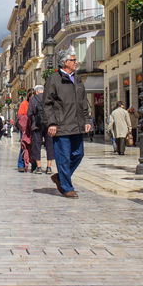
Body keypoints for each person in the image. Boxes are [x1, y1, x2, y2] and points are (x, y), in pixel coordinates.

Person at [44, 47, 91, 199]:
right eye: (73, 60)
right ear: (65, 62)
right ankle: (66, 187)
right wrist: (51, 123)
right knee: (63, 158)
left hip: (77, 124)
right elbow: (47, 104)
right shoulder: (54, 79)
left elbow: (83, 102)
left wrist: (87, 120)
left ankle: (60, 177)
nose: (76, 62)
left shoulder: (77, 79)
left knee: (79, 154)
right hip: (61, 125)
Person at [27, 85, 49, 173]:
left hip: (36, 126)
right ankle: (49, 167)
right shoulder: (49, 98)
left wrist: (34, 119)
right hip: (48, 125)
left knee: (37, 146)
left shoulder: (32, 99)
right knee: (49, 146)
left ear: (36, 91)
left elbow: (29, 113)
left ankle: (39, 167)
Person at [17, 90, 33, 172]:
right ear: (28, 96)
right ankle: (21, 164)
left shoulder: (36, 103)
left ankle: (35, 164)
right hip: (25, 128)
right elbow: (20, 116)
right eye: (32, 96)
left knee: (34, 146)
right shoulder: (24, 104)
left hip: (33, 128)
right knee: (23, 146)